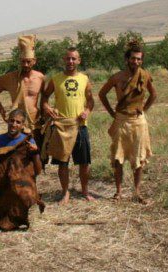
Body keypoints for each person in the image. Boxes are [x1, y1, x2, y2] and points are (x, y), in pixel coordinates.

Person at [98, 41, 157, 203]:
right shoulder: (117, 77)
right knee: (118, 158)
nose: (136, 62)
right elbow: (102, 94)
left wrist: (144, 110)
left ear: (142, 60)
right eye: (133, 58)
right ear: (127, 59)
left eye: (139, 59)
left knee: (138, 158)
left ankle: (137, 192)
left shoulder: (145, 76)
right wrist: (112, 113)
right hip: (121, 120)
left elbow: (153, 95)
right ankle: (118, 192)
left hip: (138, 121)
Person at [41, 47, 95, 203]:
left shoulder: (84, 79)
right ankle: (65, 192)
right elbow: (44, 97)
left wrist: (87, 111)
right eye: (68, 58)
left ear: (79, 61)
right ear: (64, 60)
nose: (70, 61)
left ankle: (85, 191)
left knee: (84, 162)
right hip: (61, 126)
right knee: (63, 162)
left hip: (80, 125)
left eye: (74, 59)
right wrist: (47, 108)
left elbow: (91, 100)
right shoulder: (56, 79)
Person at [0, 35, 45, 145]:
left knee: (37, 154)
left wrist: (44, 115)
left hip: (35, 122)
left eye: (28, 61)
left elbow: (45, 98)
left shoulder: (40, 77)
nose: (25, 64)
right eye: (23, 61)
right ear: (19, 60)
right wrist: (3, 113)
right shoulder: (10, 78)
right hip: (17, 123)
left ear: (34, 61)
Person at [0, 109, 42, 176]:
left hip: (20, 179)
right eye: (12, 121)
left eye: (18, 122)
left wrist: (35, 153)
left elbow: (38, 171)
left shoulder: (28, 142)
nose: (14, 124)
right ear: (8, 121)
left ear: (22, 125)